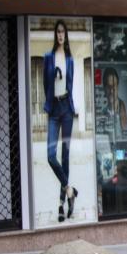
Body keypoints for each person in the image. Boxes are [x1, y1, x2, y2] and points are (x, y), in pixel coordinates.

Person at [43, 20, 78, 222]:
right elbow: (47, 84)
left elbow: (70, 85)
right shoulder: (48, 58)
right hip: (54, 109)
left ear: (66, 35)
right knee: (50, 155)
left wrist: (72, 107)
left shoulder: (70, 59)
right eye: (58, 32)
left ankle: (61, 205)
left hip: (66, 109)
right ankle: (70, 190)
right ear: (55, 35)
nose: (60, 35)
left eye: (63, 32)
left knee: (65, 156)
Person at [102, 67, 127, 132]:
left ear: (118, 87)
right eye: (109, 87)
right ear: (104, 89)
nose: (111, 91)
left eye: (114, 86)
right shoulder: (102, 113)